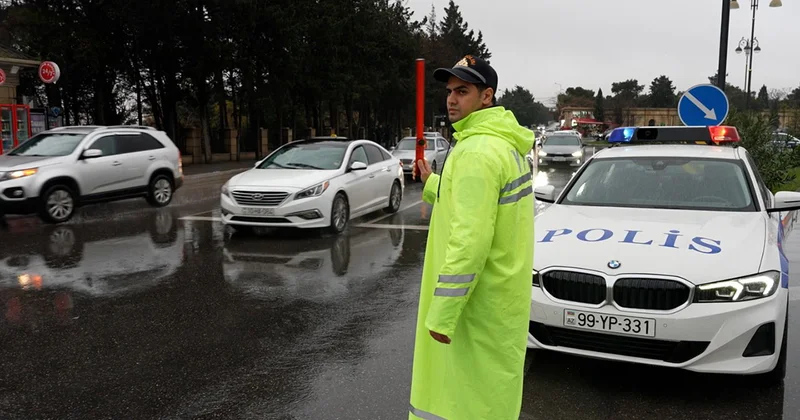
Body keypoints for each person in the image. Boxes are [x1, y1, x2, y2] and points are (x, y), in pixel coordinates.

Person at [407, 55, 535, 420]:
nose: (451, 99)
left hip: (474, 311)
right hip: (500, 302)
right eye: (449, 91)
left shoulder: (476, 152)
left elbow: (471, 239)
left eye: (462, 91)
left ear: (486, 96)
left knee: (461, 402)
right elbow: (478, 204)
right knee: (492, 399)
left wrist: (443, 314)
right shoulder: (501, 144)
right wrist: (433, 182)